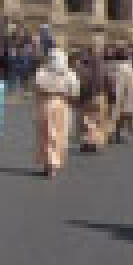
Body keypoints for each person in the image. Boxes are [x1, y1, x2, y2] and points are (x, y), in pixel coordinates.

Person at [33, 48, 79, 178]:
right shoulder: (69, 74)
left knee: (46, 134)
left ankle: (48, 162)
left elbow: (36, 87)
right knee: (60, 133)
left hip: (46, 103)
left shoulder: (42, 72)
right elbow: (75, 91)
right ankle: (54, 162)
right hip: (62, 104)